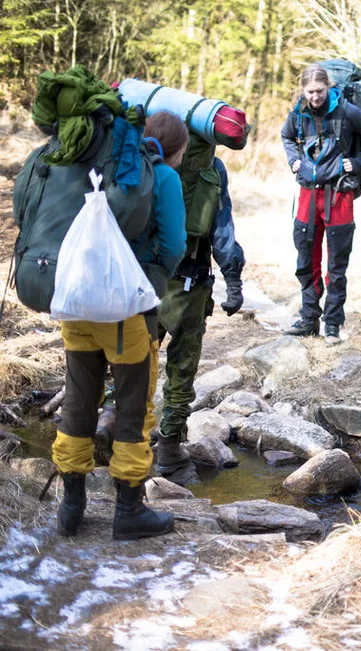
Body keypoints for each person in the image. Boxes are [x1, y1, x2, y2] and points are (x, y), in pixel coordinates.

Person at [54, 108, 188, 540]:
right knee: (133, 407)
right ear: (177, 149)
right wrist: (149, 283)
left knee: (78, 399)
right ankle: (128, 511)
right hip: (125, 312)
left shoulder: (96, 169)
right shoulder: (162, 177)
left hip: (77, 303)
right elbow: (174, 244)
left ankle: (71, 507)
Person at [153, 133, 247, 484]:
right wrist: (233, 281)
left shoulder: (150, 159)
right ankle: (170, 447)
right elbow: (222, 232)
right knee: (181, 367)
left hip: (145, 277)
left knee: (133, 359)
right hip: (190, 284)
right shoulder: (213, 168)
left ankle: (118, 425)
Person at [280, 63, 361, 342]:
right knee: (305, 259)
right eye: (310, 92)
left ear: (328, 87)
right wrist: (293, 161)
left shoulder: (346, 111)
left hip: (339, 193)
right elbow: (286, 137)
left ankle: (332, 325)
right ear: (303, 90)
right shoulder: (298, 113)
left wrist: (358, 162)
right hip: (307, 193)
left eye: (319, 91)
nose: (315, 97)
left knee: (336, 265)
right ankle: (308, 318)